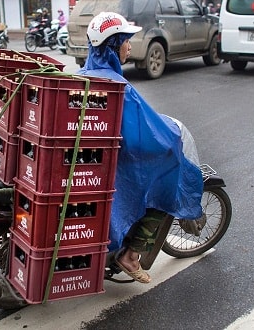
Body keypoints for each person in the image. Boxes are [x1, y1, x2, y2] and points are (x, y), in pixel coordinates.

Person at [78, 12, 204, 284]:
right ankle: (132, 254)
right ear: (114, 46)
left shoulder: (84, 75)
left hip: (93, 158)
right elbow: (144, 136)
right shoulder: (117, 86)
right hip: (116, 162)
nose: (130, 46)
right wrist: (170, 138)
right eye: (126, 41)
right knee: (164, 184)